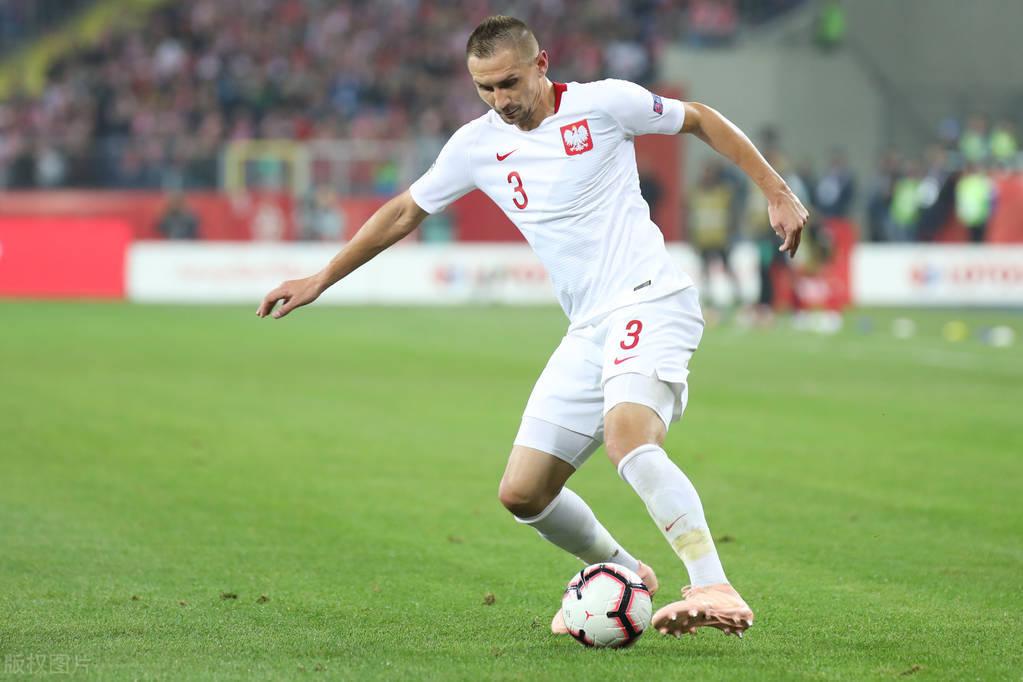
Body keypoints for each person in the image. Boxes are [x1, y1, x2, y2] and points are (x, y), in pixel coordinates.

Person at [257, 15, 806, 640]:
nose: (500, 100)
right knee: (523, 493)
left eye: (509, 83)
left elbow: (700, 118)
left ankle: (713, 584)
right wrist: (321, 278)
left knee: (629, 439)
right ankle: (629, 575)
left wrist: (776, 191)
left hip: (651, 298)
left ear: (541, 64)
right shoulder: (475, 145)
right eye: (485, 88)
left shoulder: (605, 103)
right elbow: (406, 210)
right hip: (588, 326)